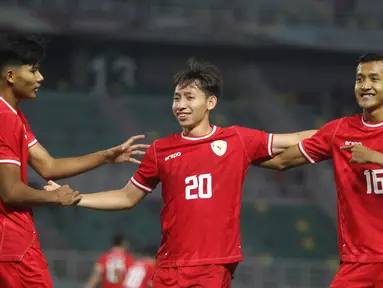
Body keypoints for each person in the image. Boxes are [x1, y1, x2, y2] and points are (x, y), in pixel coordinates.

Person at [46, 58, 317, 287]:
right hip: (168, 266)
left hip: (212, 264)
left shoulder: (237, 139)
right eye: (177, 97)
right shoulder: (159, 150)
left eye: (189, 97)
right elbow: (126, 198)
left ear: (211, 103)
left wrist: (344, 134)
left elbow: (292, 138)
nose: (180, 105)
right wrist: (77, 198)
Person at [0, 33, 147, 288]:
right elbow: (11, 192)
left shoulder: (15, 117)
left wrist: (104, 156)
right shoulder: (5, 117)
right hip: (12, 244)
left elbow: (49, 167)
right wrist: (55, 197)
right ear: (10, 76)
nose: (40, 77)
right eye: (33, 70)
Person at [252, 53, 383, 287]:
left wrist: (373, 157)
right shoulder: (340, 131)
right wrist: (238, 153)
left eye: (374, 79)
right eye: (359, 79)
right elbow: (282, 162)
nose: (365, 86)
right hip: (358, 263)